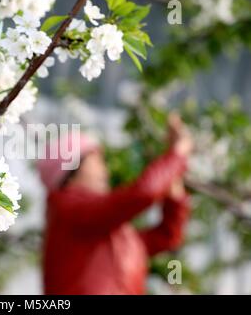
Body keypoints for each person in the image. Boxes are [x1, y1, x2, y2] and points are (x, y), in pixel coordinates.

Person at [37, 114, 193, 295]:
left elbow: (166, 237)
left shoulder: (105, 229)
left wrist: (175, 199)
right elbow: (144, 193)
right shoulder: (68, 207)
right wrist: (177, 155)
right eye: (96, 160)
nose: (105, 169)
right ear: (71, 170)